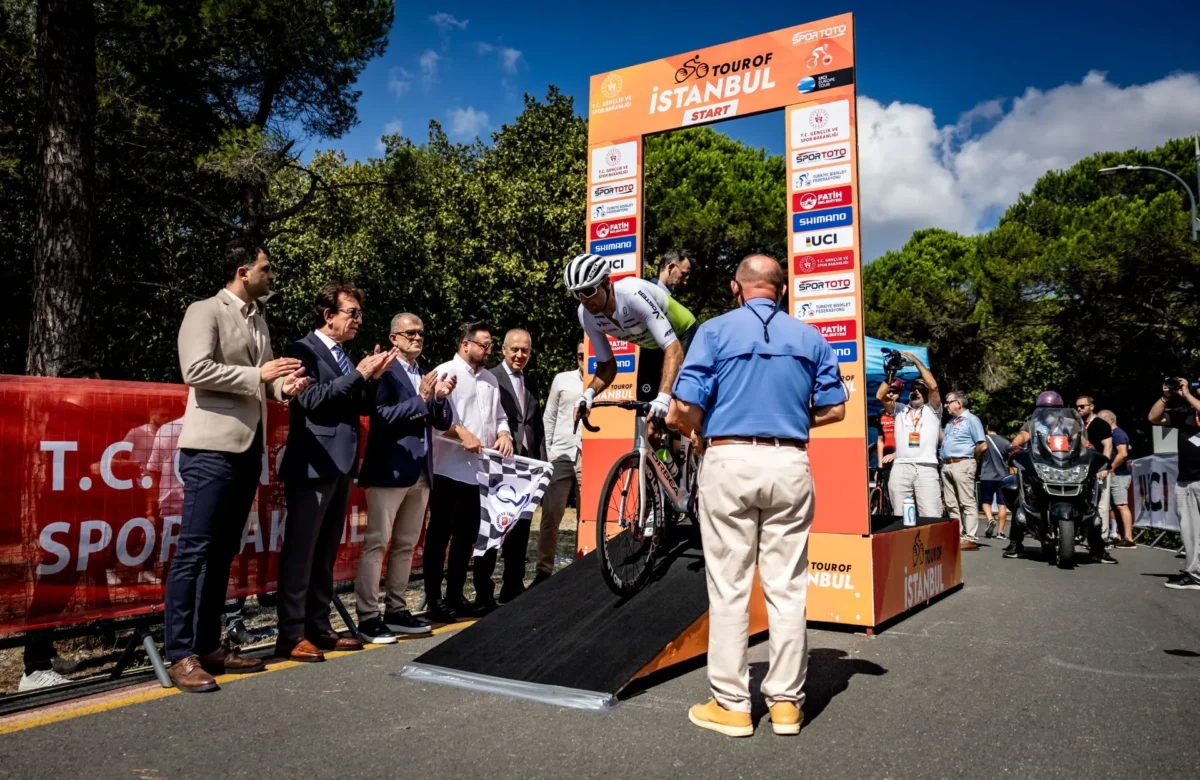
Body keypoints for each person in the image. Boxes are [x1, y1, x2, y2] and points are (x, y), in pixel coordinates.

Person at [667, 254, 847, 738]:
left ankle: (732, 705)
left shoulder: (715, 330)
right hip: (790, 461)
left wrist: (705, 430)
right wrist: (786, 423)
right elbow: (835, 411)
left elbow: (684, 407)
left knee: (730, 586)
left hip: (729, 459)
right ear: (782, 290)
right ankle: (786, 705)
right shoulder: (811, 338)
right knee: (787, 586)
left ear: (735, 288)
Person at [165, 244, 309, 693]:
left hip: (248, 451)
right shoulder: (203, 310)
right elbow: (195, 370)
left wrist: (285, 388)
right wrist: (260, 377)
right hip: (210, 450)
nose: (272, 276)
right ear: (243, 272)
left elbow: (260, 384)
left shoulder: (259, 319)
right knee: (194, 551)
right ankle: (179, 654)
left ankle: (209, 646)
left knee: (223, 552)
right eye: (266, 269)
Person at [276, 282, 395, 662]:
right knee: (302, 550)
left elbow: (358, 404)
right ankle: (291, 633)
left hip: (342, 463)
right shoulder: (302, 350)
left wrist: (372, 378)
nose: (358, 320)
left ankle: (319, 625)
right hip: (313, 463)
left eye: (360, 314)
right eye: (352, 313)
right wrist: (358, 374)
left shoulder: (344, 356)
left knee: (325, 551)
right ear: (329, 316)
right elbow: (310, 399)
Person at [355, 313, 454, 643]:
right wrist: (422, 398)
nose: (417, 337)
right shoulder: (385, 370)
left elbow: (441, 422)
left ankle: (396, 610)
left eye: (421, 332)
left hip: (421, 472)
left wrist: (439, 398)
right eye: (409, 332)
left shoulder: (425, 373)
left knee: (406, 546)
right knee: (377, 542)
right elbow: (379, 417)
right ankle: (368, 615)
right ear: (393, 338)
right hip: (389, 469)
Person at [425, 321, 514, 622]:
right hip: (448, 467)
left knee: (466, 538)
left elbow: (500, 417)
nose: (488, 350)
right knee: (440, 536)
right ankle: (434, 598)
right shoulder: (444, 372)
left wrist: (505, 435)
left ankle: (455, 595)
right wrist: (461, 433)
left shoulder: (489, 379)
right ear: (465, 344)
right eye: (483, 345)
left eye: (490, 345)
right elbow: (433, 420)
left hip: (480, 472)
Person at [563, 253, 696, 422]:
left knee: (672, 416)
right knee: (646, 421)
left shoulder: (633, 295)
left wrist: (664, 396)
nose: (584, 300)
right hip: (652, 346)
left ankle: (693, 443)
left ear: (606, 283)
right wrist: (588, 395)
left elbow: (673, 348)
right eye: (577, 293)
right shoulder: (585, 314)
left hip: (682, 336)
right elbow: (607, 366)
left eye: (589, 291)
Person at [1004, 391, 1116, 564]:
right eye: (1045, 408)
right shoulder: (1033, 423)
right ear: (1039, 409)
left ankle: (1098, 549)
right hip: (1040, 466)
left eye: (1055, 408)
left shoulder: (1070, 424)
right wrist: (1013, 447)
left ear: (1061, 409)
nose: (1050, 412)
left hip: (1066, 466)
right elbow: (1022, 437)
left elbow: (1081, 440)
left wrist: (1090, 448)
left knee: (1088, 503)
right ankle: (1014, 544)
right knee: (1022, 496)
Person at [486, 329, 546, 604]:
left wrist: (543, 463)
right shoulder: (491, 378)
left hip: (527, 466)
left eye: (525, 350)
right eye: (515, 350)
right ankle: (484, 590)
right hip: (499, 464)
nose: (520, 355)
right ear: (503, 350)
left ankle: (513, 585)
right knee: (496, 525)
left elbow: (536, 425)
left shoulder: (531, 381)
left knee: (522, 526)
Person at [535, 341, 586, 585]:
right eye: (579, 356)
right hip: (561, 455)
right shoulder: (562, 379)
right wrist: (550, 453)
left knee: (587, 517)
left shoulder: (610, 381)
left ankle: (582, 569)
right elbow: (549, 416)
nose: (584, 361)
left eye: (588, 356)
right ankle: (544, 570)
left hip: (591, 455)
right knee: (551, 515)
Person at [876, 354, 942, 520]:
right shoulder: (900, 409)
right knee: (900, 514)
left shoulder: (932, 409)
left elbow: (933, 387)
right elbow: (880, 396)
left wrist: (916, 362)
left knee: (930, 513)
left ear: (926, 394)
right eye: (913, 389)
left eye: (920, 390)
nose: (916, 392)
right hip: (901, 467)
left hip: (926, 467)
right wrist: (892, 372)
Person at [1149, 378, 1200, 590]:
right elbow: (1154, 417)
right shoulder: (1185, 411)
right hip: (1186, 477)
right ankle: (1195, 573)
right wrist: (1166, 396)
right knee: (1190, 530)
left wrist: (1188, 395)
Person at [939, 392, 987, 550]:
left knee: (966, 501)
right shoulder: (951, 422)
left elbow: (982, 445)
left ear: (958, 403)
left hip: (963, 462)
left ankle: (970, 537)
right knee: (951, 503)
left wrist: (974, 460)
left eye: (948, 402)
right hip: (947, 464)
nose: (946, 405)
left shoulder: (971, 420)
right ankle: (957, 535)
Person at [1076, 395, 1114, 537]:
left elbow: (1108, 446)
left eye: (1082, 406)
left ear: (1091, 407)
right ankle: (1085, 533)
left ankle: (1102, 537)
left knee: (1102, 504)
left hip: (1098, 468)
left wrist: (1104, 467)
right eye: (1077, 406)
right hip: (1082, 469)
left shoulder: (1100, 424)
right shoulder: (1078, 425)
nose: (1079, 409)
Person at [1098, 409, 1135, 548]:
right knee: (1114, 506)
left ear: (1111, 420)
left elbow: (1123, 454)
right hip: (1114, 474)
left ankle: (1129, 538)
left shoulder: (1118, 434)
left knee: (1121, 505)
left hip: (1120, 475)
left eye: (1102, 421)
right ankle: (1119, 535)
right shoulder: (1110, 434)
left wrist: (1110, 468)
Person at [979, 419, 1011, 540]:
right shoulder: (1005, 442)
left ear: (987, 427)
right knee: (1002, 505)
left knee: (986, 502)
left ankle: (990, 519)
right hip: (1002, 476)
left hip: (987, 475)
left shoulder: (983, 441)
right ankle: (1000, 532)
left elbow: (979, 451)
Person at [874, 381, 900, 467]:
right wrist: (880, 465)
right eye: (888, 392)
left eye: (895, 391)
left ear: (900, 393)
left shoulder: (905, 411)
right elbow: (880, 440)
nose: (891, 394)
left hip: (902, 458)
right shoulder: (881, 413)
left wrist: (897, 454)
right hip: (886, 458)